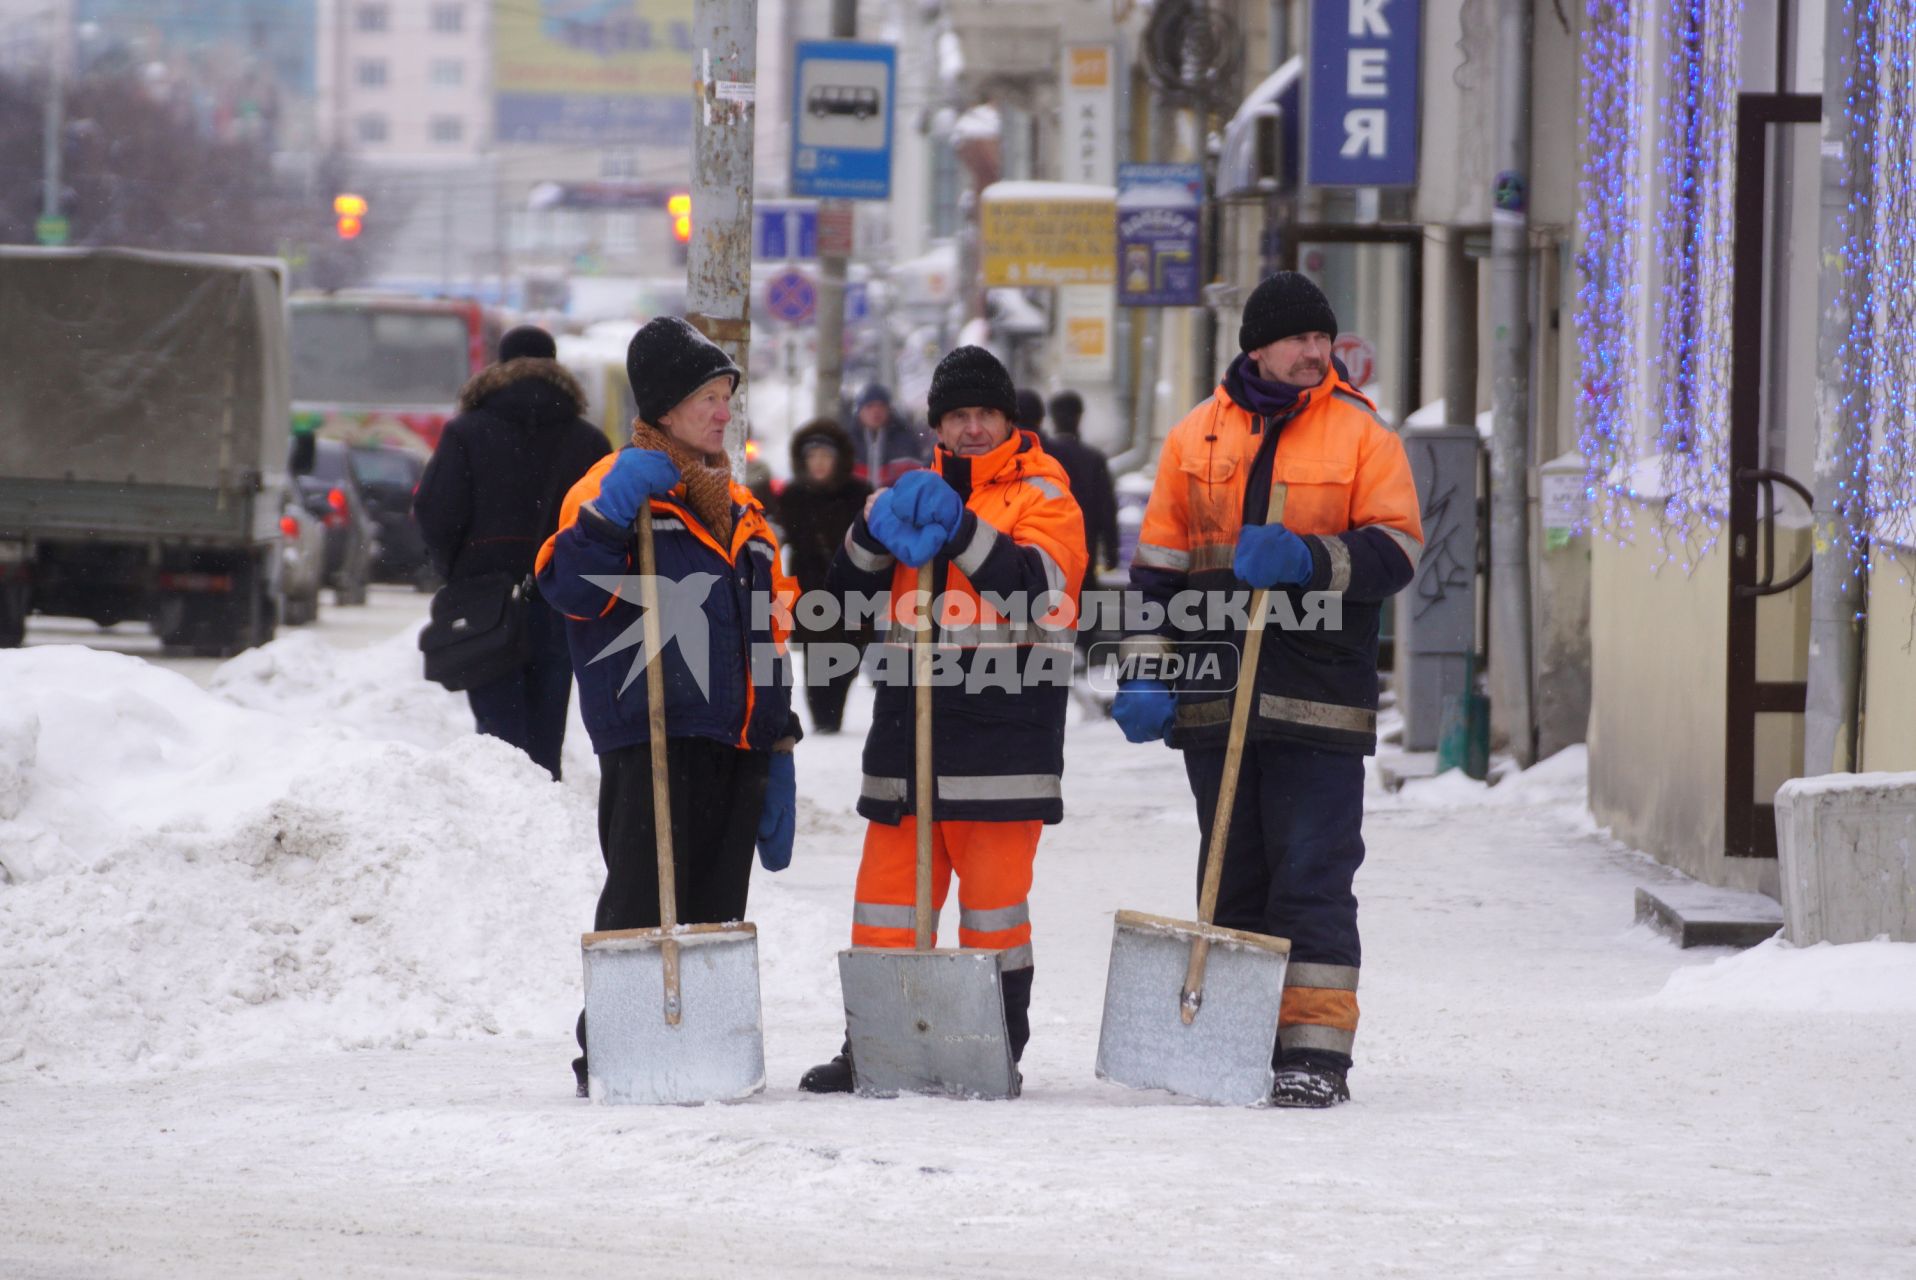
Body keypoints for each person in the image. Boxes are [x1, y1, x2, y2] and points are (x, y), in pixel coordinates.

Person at [1109, 272, 1423, 1109]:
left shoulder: (1361, 434)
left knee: (1313, 877)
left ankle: (1315, 1053)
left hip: (1320, 703)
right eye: (1300, 340)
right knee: (1232, 879)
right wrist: (1144, 671)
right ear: (1257, 345)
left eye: (1324, 339)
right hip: (1216, 703)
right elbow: (1157, 576)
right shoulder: (1193, 441)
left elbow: (1397, 551)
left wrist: (1313, 560)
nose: (1317, 352)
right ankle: (1236, 1039)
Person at [799, 346, 1088, 1094]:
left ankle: (992, 1050)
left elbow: (1038, 597)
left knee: (994, 918)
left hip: (1003, 744)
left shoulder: (1044, 496)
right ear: (936, 425)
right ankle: (877, 1047)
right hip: (908, 747)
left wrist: (962, 531)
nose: (970, 429)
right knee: (887, 911)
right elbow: (840, 614)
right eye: (956, 417)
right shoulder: (905, 493)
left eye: (983, 414)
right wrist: (868, 538)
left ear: (1007, 419)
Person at [536, 316, 801, 1097]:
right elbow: (568, 591)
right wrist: (611, 513)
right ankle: (616, 1048)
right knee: (642, 902)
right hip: (652, 728)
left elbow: (770, 630)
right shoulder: (612, 489)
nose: (722, 413)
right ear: (663, 407)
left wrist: (778, 742)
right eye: (706, 399)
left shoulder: (745, 514)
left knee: (717, 908)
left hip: (737, 735)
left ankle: (704, 1051)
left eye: (726, 398)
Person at [413, 324, 610, 781]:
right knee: (545, 736)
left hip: (484, 601)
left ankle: (504, 821)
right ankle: (540, 821)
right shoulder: (588, 441)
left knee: (498, 738)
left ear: (500, 368)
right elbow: (606, 524)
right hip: (562, 602)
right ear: (555, 368)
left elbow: (435, 510)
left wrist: (458, 571)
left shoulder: (466, 432)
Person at [775, 418, 874, 734]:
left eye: (825, 456)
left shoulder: (858, 494)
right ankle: (824, 721)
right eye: (812, 456)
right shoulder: (793, 496)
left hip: (852, 593)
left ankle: (833, 715)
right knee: (816, 660)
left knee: (847, 659)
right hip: (810, 593)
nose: (818, 463)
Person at [1041, 390, 1120, 593]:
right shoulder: (1093, 458)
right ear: (1080, 416)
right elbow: (1106, 509)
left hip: (1048, 553)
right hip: (1084, 551)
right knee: (1084, 616)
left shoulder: (1041, 456)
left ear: (1051, 418)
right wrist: (1111, 551)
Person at [845, 383, 929, 485]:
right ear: (859, 411)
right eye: (869, 406)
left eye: (881, 406)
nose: (876, 411)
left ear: (889, 409)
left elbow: (917, 479)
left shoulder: (906, 440)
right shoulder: (847, 442)